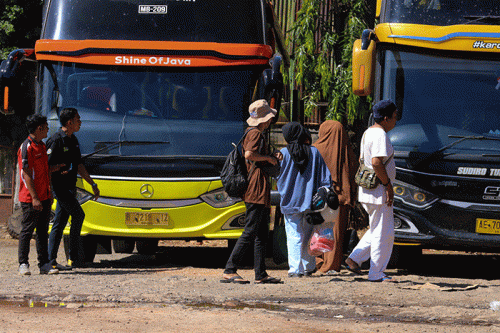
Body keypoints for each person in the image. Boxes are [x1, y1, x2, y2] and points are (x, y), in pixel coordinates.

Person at [221, 99, 282, 284]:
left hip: (259, 187)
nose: (271, 120)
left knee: (262, 233)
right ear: (265, 119)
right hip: (255, 188)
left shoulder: (253, 132)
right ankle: (230, 269)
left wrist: (270, 156)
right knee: (250, 231)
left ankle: (260, 274)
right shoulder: (255, 133)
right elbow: (249, 154)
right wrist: (269, 159)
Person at [345, 99, 398, 282]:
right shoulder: (380, 135)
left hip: (368, 190)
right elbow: (376, 162)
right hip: (378, 191)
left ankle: (354, 259)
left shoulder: (368, 132)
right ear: (385, 118)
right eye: (394, 116)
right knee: (384, 232)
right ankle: (376, 272)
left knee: (376, 228)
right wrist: (387, 185)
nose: (395, 121)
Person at [47, 108, 100, 270]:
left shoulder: (73, 139)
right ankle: (73, 258)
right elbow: (44, 168)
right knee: (78, 215)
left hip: (70, 188)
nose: (80, 122)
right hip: (59, 188)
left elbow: (79, 165)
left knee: (60, 222)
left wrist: (92, 184)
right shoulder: (56, 140)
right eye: (78, 119)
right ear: (69, 123)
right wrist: (49, 189)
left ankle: (52, 261)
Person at [276, 122, 331, 278]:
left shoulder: (283, 153)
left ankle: (295, 269)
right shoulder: (314, 153)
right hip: (311, 201)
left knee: (294, 234)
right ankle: (308, 266)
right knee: (308, 234)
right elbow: (326, 178)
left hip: (290, 200)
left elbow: (277, 175)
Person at [313, 120, 358, 275]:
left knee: (318, 229)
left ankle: (319, 261)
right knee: (336, 233)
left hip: (319, 198)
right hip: (340, 199)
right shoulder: (348, 151)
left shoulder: (316, 149)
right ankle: (331, 265)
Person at [17, 115, 60, 275]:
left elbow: (44, 170)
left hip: (45, 196)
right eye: (46, 126)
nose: (48, 129)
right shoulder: (26, 147)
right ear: (39, 128)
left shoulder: (42, 146)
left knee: (42, 232)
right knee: (27, 231)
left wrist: (50, 189)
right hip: (30, 198)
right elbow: (27, 173)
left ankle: (44, 264)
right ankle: (23, 264)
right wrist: (34, 198)